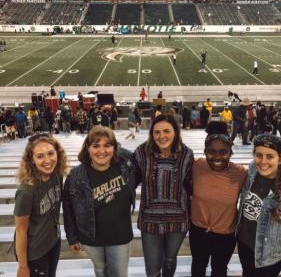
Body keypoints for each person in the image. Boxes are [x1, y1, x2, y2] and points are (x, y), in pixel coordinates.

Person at [63, 126, 136, 277]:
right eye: (96, 146)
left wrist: (115, 146)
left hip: (120, 236)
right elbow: (68, 209)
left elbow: (137, 156)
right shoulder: (76, 176)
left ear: (115, 148)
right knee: (100, 270)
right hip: (90, 238)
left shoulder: (125, 166)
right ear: (87, 148)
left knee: (119, 274)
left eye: (107, 145)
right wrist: (72, 238)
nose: (101, 151)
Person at [236, 133, 281, 277]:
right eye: (259, 155)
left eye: (270, 156)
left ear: (280, 158)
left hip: (269, 256)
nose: (263, 161)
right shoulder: (252, 170)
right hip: (244, 245)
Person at [133, 114, 194, 277]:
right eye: (157, 132)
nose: (162, 136)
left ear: (175, 131)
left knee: (169, 259)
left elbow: (192, 185)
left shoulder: (187, 154)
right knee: (152, 268)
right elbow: (131, 179)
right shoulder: (141, 152)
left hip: (178, 220)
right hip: (150, 221)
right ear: (152, 134)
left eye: (166, 131)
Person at [190, 122, 246, 277]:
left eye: (223, 152)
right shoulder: (196, 167)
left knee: (219, 269)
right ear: (205, 151)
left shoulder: (240, 173)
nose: (217, 157)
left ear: (230, 152)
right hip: (198, 231)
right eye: (211, 152)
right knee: (198, 267)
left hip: (226, 234)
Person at [14, 133, 69, 277]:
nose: (48, 160)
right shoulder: (26, 191)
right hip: (35, 252)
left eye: (51, 153)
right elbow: (20, 231)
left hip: (53, 242)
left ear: (58, 153)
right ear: (31, 160)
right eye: (40, 156)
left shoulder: (57, 175)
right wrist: (23, 266)